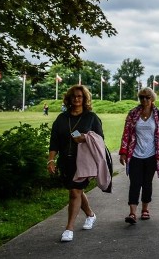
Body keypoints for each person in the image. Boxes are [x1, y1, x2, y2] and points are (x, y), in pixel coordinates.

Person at [47, 85, 104, 242]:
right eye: (73, 96)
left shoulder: (91, 117)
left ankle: (69, 229)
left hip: (84, 161)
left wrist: (85, 138)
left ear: (84, 99)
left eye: (79, 96)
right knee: (76, 190)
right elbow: (54, 142)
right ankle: (91, 215)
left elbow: (100, 140)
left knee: (74, 192)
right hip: (66, 161)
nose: (76, 99)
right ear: (69, 99)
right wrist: (51, 160)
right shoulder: (61, 119)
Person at [118, 87, 159, 225]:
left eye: (147, 97)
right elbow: (126, 133)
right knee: (134, 183)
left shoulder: (158, 114)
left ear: (152, 98)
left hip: (152, 154)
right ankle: (132, 213)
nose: (144, 100)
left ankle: (145, 209)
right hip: (135, 154)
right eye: (142, 97)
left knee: (147, 183)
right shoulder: (133, 113)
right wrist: (123, 152)